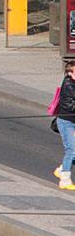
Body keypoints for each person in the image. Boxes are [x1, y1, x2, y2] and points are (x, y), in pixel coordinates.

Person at [54, 61, 75, 190]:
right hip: (66, 122)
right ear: (70, 73)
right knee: (72, 150)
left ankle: (62, 169)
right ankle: (65, 180)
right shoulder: (69, 86)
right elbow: (70, 106)